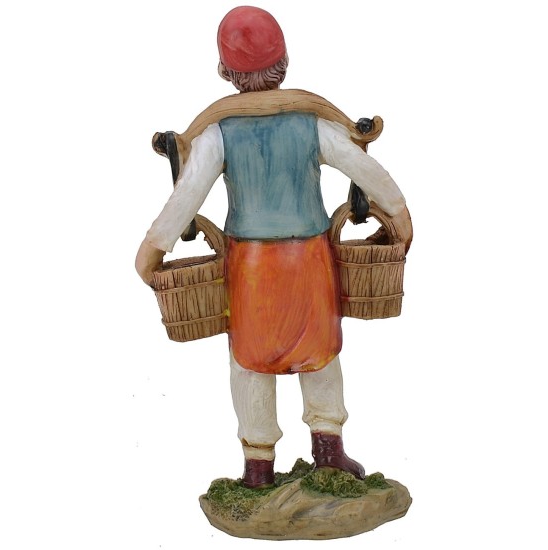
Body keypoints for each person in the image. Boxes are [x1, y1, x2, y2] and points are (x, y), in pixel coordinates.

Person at [136, 6, 410, 489]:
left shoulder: (219, 132)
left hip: (253, 267)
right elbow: (363, 168)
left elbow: (187, 195)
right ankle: (328, 447)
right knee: (319, 353)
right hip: (308, 261)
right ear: (284, 63)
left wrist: (153, 248)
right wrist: (399, 213)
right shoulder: (311, 123)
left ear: (226, 72)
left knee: (250, 362)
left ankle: (258, 464)